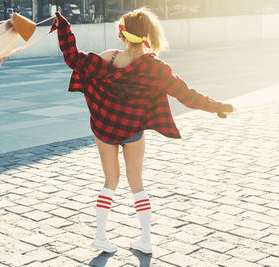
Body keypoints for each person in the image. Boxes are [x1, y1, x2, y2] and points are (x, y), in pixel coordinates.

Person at [52, 9, 234, 254]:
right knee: (137, 184)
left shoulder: (111, 57)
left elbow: (74, 58)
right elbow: (187, 96)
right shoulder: (157, 68)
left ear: (123, 36)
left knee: (110, 181)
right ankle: (145, 240)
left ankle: (100, 237)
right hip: (133, 130)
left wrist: (63, 27)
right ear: (147, 35)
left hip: (105, 128)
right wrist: (217, 107)